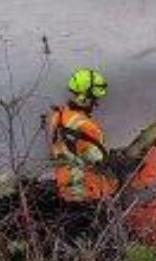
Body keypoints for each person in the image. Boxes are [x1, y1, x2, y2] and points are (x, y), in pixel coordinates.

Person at [48, 68, 118, 204]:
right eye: (94, 99)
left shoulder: (58, 115)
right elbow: (99, 161)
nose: (96, 103)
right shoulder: (86, 126)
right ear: (85, 98)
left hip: (64, 185)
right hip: (86, 192)